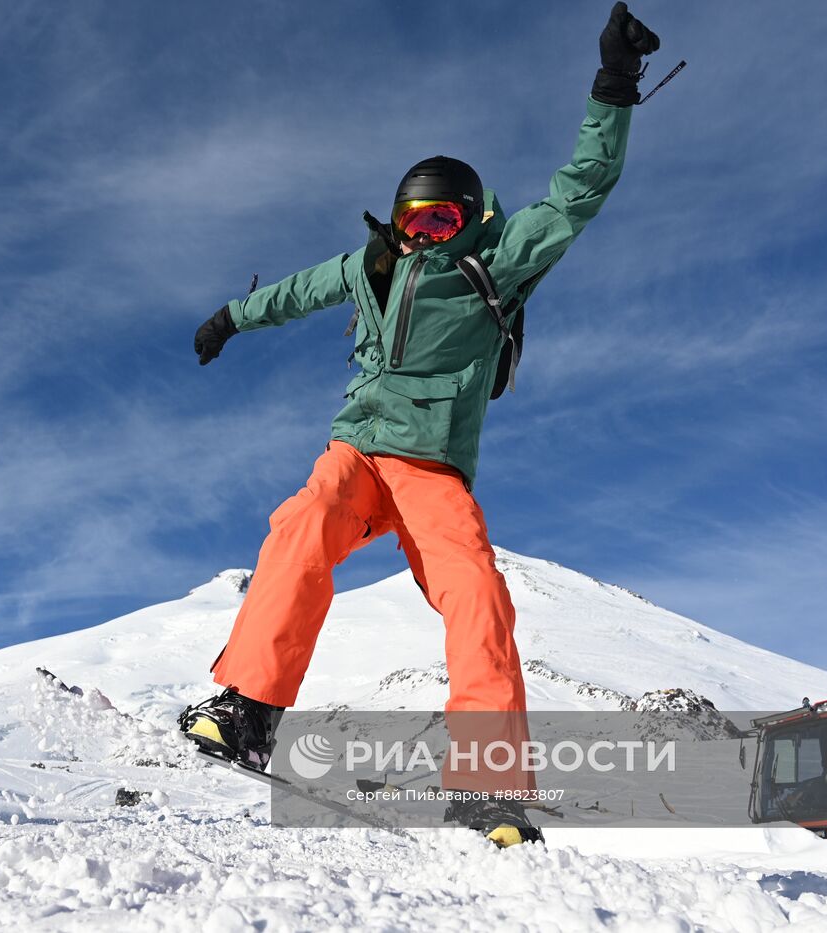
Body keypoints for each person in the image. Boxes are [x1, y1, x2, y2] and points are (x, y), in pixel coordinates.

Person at [180, 3, 660, 845]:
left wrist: (612, 86)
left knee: (476, 590)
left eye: (442, 220)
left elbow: (579, 191)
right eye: (413, 221)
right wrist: (229, 315)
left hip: (434, 465)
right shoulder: (370, 266)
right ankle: (249, 711)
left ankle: (488, 784)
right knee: (303, 525)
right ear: (395, 223)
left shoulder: (494, 261)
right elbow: (295, 291)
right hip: (361, 447)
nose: (424, 236)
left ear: (470, 220)